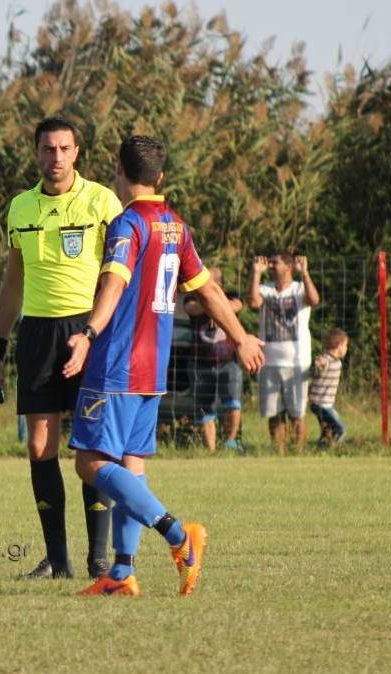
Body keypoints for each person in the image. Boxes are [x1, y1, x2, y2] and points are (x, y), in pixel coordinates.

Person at [62, 135, 264, 597]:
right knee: (131, 465)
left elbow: (113, 284)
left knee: (89, 463)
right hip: (154, 366)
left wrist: (88, 334)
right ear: (161, 177)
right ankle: (121, 573)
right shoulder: (176, 226)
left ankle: (178, 536)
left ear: (119, 170)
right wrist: (241, 337)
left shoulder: (128, 223)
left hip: (117, 364)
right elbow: (208, 290)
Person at [0, 116, 123, 580]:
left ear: (77, 152)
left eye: (64, 148)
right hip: (38, 334)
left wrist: (99, 332)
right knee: (40, 446)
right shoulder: (21, 208)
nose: (56, 157)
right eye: (48, 148)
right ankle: (58, 560)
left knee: (93, 446)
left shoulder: (102, 201)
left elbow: (117, 275)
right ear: (36, 152)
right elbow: (13, 282)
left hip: (90, 331)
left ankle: (98, 558)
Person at [248, 252, 320, 453]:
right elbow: (253, 302)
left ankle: (299, 450)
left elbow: (314, 300)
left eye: (275, 263)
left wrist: (305, 273)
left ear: (288, 267)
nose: (270, 266)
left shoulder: (299, 288)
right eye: (270, 263)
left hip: (297, 362)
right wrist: (256, 273)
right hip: (269, 362)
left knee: (297, 412)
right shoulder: (266, 289)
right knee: (274, 413)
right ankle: (278, 451)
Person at [183, 267, 245, 452]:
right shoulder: (192, 297)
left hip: (229, 362)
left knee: (233, 403)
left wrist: (214, 299)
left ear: (219, 284)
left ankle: (230, 443)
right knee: (204, 409)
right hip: (199, 363)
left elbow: (237, 306)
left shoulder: (232, 296)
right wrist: (210, 301)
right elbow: (191, 309)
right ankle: (211, 450)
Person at [309, 328, 348, 446]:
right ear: (339, 346)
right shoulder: (326, 359)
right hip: (321, 403)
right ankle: (332, 448)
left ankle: (321, 446)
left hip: (324, 403)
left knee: (327, 430)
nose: (346, 348)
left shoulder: (337, 362)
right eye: (345, 345)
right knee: (340, 429)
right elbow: (320, 364)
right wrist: (319, 364)